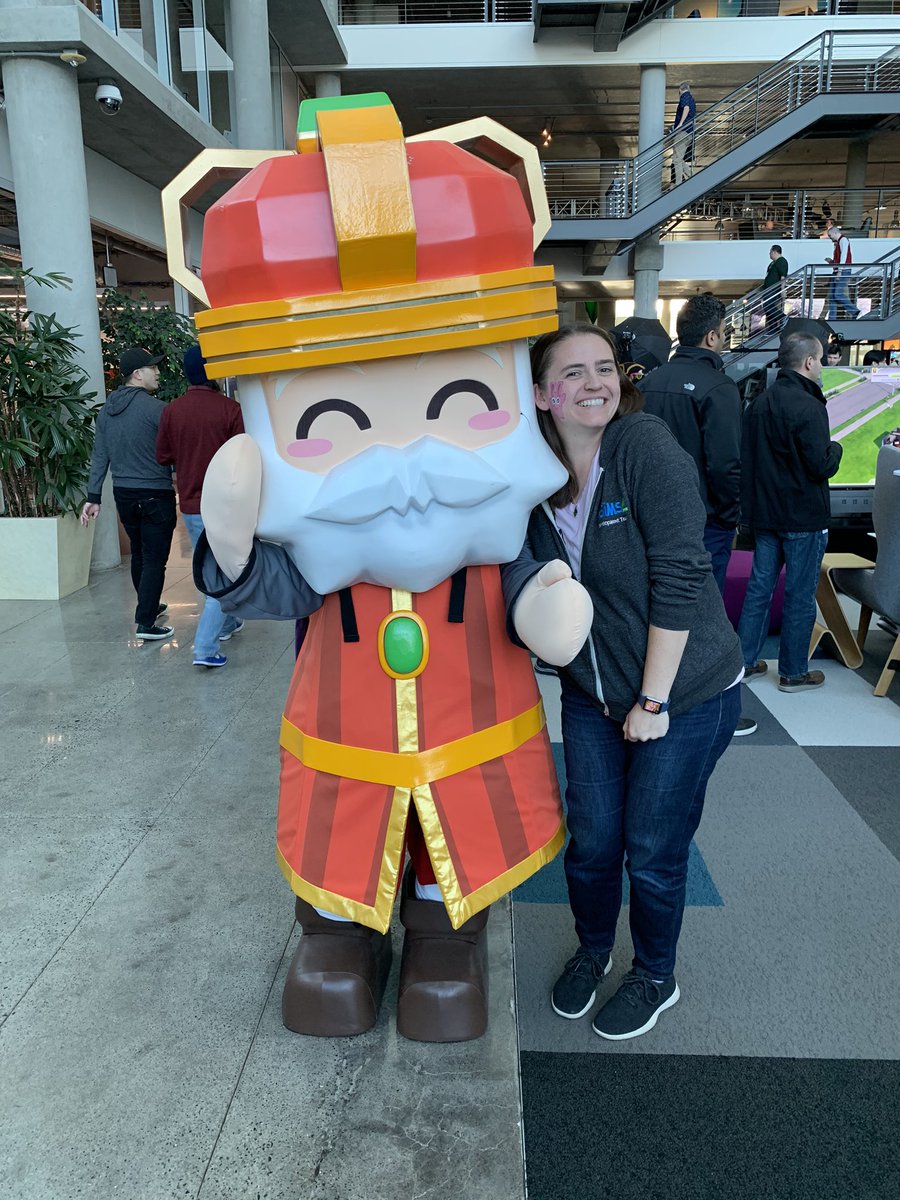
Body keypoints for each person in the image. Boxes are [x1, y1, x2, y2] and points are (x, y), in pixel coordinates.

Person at [503, 324, 743, 1040]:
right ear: (541, 394)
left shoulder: (642, 447)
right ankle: (594, 948)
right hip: (594, 692)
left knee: (653, 845)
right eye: (573, 373)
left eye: (604, 368)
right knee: (593, 839)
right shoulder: (536, 479)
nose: (594, 383)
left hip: (685, 692)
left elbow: (681, 573)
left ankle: (655, 974)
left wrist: (653, 700)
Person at [639, 294, 756, 736]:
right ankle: (702, 707)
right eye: (724, 333)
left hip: (649, 519)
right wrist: (729, 517)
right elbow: (725, 464)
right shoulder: (719, 387)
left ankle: (655, 699)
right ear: (711, 336)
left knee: (656, 609)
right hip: (703, 523)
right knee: (705, 618)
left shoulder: (649, 383)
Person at [737, 332, 843, 692]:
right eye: (821, 359)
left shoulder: (758, 405)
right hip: (803, 517)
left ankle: (745, 661)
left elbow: (747, 464)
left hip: (766, 516)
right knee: (799, 594)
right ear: (809, 362)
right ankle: (793, 671)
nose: (823, 365)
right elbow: (821, 465)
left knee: (759, 590)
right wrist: (837, 449)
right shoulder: (810, 406)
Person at [155, 345, 245, 668]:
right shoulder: (230, 410)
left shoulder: (172, 411)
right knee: (222, 577)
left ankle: (228, 623)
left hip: (192, 506)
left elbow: (163, 455)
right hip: (226, 506)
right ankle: (205, 648)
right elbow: (245, 455)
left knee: (213, 568)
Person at [80, 347, 176, 640]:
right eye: (152, 368)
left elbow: (100, 455)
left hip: (124, 493)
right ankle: (146, 623)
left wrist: (93, 496)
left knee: (139, 552)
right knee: (154, 559)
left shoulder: (106, 411)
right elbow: (174, 451)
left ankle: (148, 605)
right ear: (137, 374)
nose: (157, 372)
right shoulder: (157, 409)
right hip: (155, 493)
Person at [825, 225, 860, 319]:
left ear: (835, 233)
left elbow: (844, 256)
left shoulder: (843, 240)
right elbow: (841, 257)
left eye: (830, 235)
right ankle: (832, 318)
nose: (830, 238)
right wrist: (832, 262)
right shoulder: (840, 242)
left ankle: (855, 311)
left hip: (843, 271)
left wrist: (840, 270)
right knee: (832, 297)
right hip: (839, 270)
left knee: (837, 294)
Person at [671, 82, 696, 187]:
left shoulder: (685, 96)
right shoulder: (692, 99)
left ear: (680, 90)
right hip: (689, 132)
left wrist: (680, 124)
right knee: (678, 159)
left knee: (676, 160)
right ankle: (692, 176)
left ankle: (678, 184)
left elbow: (686, 108)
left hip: (683, 132)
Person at [762, 244, 788, 331]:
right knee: (767, 307)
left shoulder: (781, 261)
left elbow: (783, 277)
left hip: (773, 289)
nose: (769, 254)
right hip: (768, 288)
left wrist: (782, 290)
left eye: (770, 252)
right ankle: (772, 328)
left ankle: (782, 317)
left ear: (774, 252)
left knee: (768, 306)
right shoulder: (773, 263)